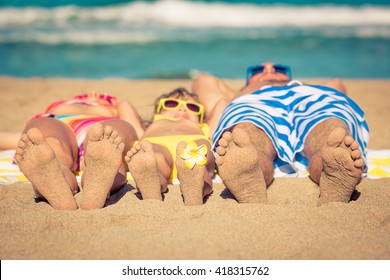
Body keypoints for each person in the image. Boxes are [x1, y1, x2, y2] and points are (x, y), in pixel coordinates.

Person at [191, 62, 369, 206]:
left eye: (279, 69)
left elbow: (336, 83)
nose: (269, 70)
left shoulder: (308, 87)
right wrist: (241, 92)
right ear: (247, 81)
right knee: (245, 134)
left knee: (331, 128)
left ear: (289, 76)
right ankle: (250, 177)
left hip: (313, 98)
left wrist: (302, 85)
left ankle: (333, 173)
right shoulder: (244, 93)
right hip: (255, 101)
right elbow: (203, 80)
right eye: (258, 70)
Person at [14, 91, 144, 210]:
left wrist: (120, 105)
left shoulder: (114, 111)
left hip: (100, 126)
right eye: (82, 97)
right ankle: (57, 185)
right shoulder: (57, 109)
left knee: (110, 139)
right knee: (50, 146)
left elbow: (138, 130)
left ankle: (95, 186)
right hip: (56, 122)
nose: (93, 94)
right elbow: (29, 139)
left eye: (106, 98)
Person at [125, 87, 220, 206]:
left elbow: (223, 104)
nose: (181, 108)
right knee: (155, 159)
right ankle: (153, 184)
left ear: (201, 118)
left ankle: (196, 188)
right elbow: (124, 105)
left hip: (194, 143)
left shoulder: (204, 127)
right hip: (156, 143)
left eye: (192, 107)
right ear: (158, 112)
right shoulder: (148, 127)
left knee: (202, 160)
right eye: (171, 104)